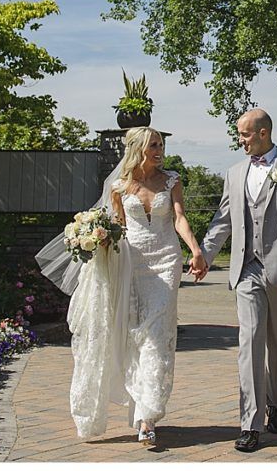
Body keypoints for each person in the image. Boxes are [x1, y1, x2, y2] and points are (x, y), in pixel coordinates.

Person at [35, 127, 208, 448]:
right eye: (153, 145)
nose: (159, 150)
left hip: (166, 259)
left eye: (161, 144)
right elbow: (115, 227)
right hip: (132, 262)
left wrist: (195, 250)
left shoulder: (172, 180)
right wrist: (94, 238)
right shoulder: (118, 186)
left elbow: (180, 218)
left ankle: (147, 417)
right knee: (134, 334)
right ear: (138, 149)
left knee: (156, 335)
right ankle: (138, 405)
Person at [197, 108, 277, 453]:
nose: (240, 140)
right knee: (249, 342)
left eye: (245, 135)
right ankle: (250, 423)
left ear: (263, 133)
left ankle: (275, 405)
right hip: (246, 270)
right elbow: (223, 220)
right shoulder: (235, 173)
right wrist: (204, 256)